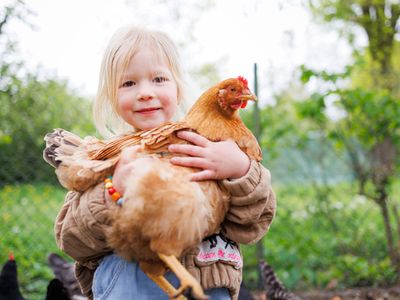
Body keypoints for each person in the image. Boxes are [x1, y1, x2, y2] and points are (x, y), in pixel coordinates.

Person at [49, 25, 276, 300]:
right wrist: (113, 190)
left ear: (178, 89)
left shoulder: (207, 149)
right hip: (129, 287)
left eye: (158, 79)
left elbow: (253, 223)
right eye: (128, 83)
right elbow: (71, 238)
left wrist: (241, 170)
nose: (145, 92)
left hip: (207, 285)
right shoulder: (116, 160)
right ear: (112, 96)